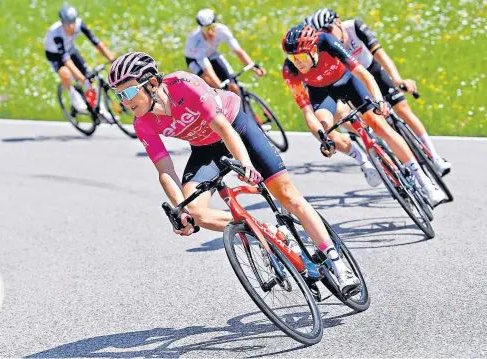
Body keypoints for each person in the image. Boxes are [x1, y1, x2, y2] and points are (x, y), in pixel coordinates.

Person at [108, 51, 361, 294]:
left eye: (129, 92)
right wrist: (180, 210)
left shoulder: (184, 84)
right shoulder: (142, 123)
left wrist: (246, 164)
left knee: (287, 195)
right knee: (196, 211)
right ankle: (268, 232)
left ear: (151, 83)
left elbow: (223, 128)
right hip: (204, 148)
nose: (125, 101)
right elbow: (164, 170)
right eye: (119, 95)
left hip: (236, 128)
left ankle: (338, 264)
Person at [281, 24, 446, 205]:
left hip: (347, 81)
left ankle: (425, 182)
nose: (297, 61)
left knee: (378, 124)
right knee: (324, 125)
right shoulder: (290, 70)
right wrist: (324, 139)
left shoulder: (327, 42)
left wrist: (379, 101)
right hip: (321, 93)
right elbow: (307, 113)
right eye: (292, 57)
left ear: (314, 49)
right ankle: (364, 160)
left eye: (301, 56)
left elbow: (363, 74)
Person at [304, 9, 451, 175]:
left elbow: (380, 54)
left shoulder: (354, 27)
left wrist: (398, 80)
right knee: (374, 122)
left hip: (372, 71)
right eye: (322, 34)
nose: (327, 36)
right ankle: (390, 156)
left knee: (402, 108)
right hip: (355, 81)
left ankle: (435, 157)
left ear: (338, 22)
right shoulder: (323, 48)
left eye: (328, 30)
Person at [44, 3, 114, 117]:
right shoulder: (56, 34)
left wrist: (112, 59)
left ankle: (99, 108)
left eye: (72, 23)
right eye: (68, 24)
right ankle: (73, 96)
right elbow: (66, 61)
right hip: (54, 55)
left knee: (89, 78)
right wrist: (81, 79)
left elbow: (96, 43)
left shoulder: (80, 24)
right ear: (62, 23)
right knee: (65, 73)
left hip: (70, 49)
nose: (71, 27)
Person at [184, 8, 266, 95]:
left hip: (212, 54)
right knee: (214, 87)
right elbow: (207, 70)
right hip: (194, 60)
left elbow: (239, 51)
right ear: (200, 29)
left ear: (216, 25)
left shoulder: (222, 30)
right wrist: (220, 86)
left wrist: (254, 67)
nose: (210, 32)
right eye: (205, 29)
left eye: (212, 27)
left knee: (233, 84)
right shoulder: (196, 41)